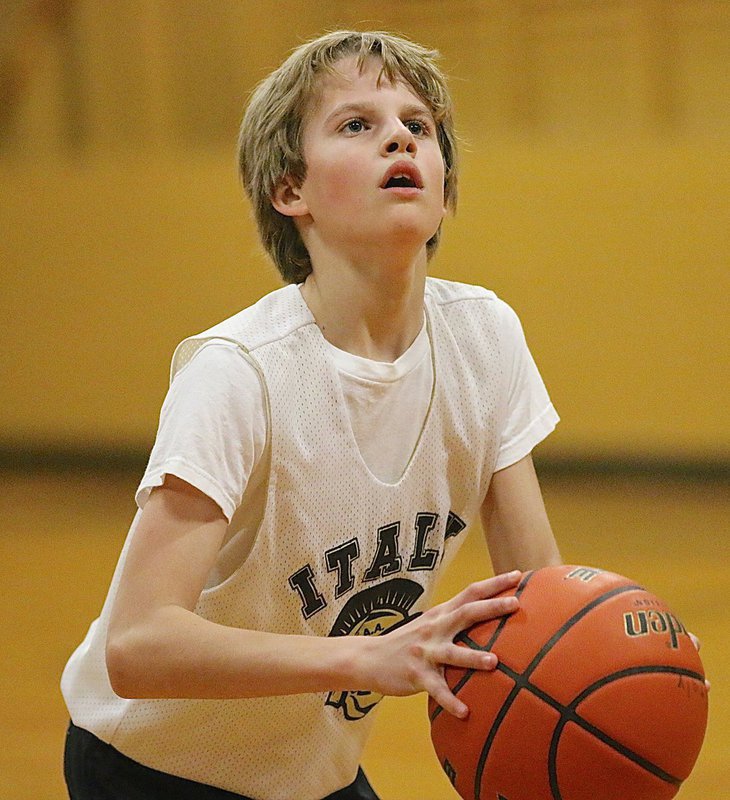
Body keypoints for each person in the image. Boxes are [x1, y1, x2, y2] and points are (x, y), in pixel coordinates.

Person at [61, 30, 562, 800]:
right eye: (356, 125)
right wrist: (369, 660)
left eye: (417, 126)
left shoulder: (484, 338)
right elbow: (136, 644)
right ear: (289, 189)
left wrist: (612, 649)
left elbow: (537, 593)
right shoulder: (239, 374)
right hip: (154, 769)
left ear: (443, 182)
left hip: (310, 770)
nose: (399, 134)